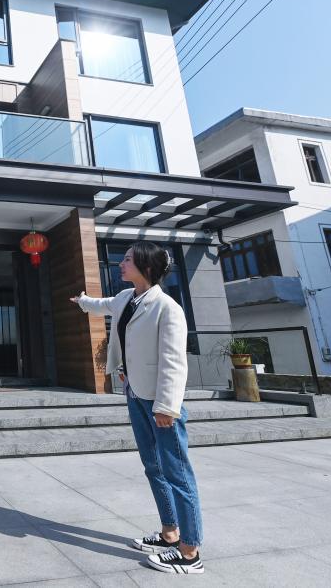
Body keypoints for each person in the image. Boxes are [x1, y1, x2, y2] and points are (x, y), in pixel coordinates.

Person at [70, 241, 204, 574]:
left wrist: (167, 406)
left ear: (146, 266)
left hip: (160, 402)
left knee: (177, 473)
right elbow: (100, 305)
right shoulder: (126, 298)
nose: (121, 263)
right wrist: (82, 301)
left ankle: (190, 552)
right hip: (135, 393)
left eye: (127, 259)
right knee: (153, 467)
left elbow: (174, 361)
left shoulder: (167, 308)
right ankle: (170, 534)